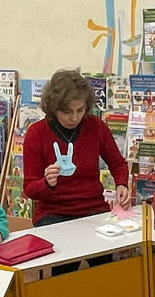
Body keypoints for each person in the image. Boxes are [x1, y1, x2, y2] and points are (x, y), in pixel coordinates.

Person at [23, 69, 131, 274]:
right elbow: (29, 189)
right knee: (65, 266)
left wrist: (121, 184)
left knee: (105, 265)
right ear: (53, 108)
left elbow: (118, 163)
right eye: (67, 112)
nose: (74, 118)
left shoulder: (96, 126)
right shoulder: (36, 133)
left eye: (80, 110)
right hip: (53, 212)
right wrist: (47, 183)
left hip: (93, 209)